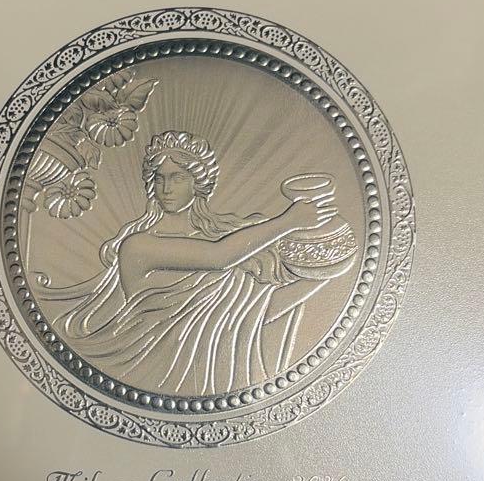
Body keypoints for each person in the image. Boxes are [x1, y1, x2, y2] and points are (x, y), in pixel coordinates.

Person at [31, 130, 335, 397]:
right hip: (149, 375)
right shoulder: (138, 246)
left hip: (215, 381)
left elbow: (253, 313)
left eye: (177, 178)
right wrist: (288, 221)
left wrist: (323, 274)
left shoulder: (230, 242)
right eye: (159, 178)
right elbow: (217, 257)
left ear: (198, 183)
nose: (166, 188)